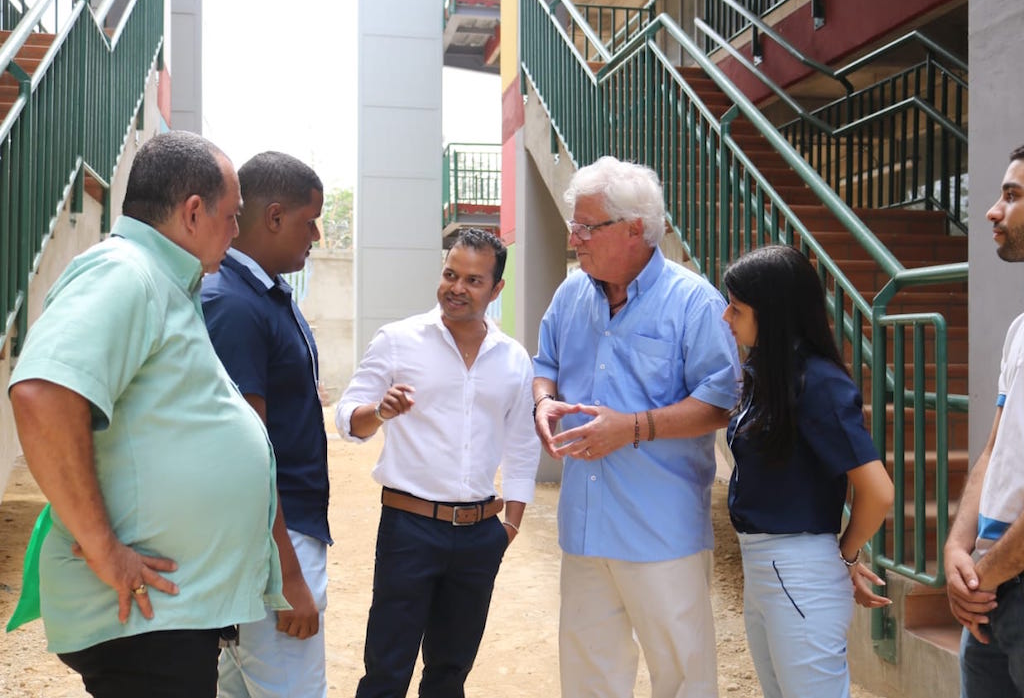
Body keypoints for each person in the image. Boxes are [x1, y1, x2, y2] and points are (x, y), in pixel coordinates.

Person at [7, 131, 285, 698]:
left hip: (165, 618)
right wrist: (104, 548)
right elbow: (42, 394)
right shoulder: (125, 271)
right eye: (231, 217)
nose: (235, 234)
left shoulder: (160, 281)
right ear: (191, 212)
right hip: (142, 618)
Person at [532, 156, 741, 698]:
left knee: (682, 676)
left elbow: (720, 402)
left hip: (660, 529)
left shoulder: (695, 303)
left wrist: (632, 428)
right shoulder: (569, 295)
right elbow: (545, 366)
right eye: (574, 225)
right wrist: (544, 403)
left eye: (585, 226)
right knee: (588, 677)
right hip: (584, 524)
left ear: (633, 230)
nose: (573, 237)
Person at [334, 228, 540, 698]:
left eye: (473, 280)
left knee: (450, 674)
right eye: (450, 274)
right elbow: (348, 420)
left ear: (496, 289)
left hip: (480, 533)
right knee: (387, 669)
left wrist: (510, 525)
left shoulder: (512, 359)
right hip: (410, 527)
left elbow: (523, 444)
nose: (457, 288)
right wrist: (380, 412)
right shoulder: (398, 340)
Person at [721, 245, 895, 698]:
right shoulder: (770, 373)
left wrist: (846, 554)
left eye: (736, 308)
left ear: (773, 314)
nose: (726, 317)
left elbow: (877, 491)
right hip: (766, 565)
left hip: (795, 567)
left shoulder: (816, 382)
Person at [201, 151, 329, 698]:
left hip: (280, 535)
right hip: (274, 544)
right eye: (309, 220)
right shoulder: (232, 303)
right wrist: (289, 577)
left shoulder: (267, 294)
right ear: (274, 217)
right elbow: (245, 455)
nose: (318, 235)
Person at [945, 136, 1024, 698]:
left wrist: (986, 573)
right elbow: (993, 448)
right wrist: (957, 549)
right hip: (995, 590)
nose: (992, 211)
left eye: (1013, 195)